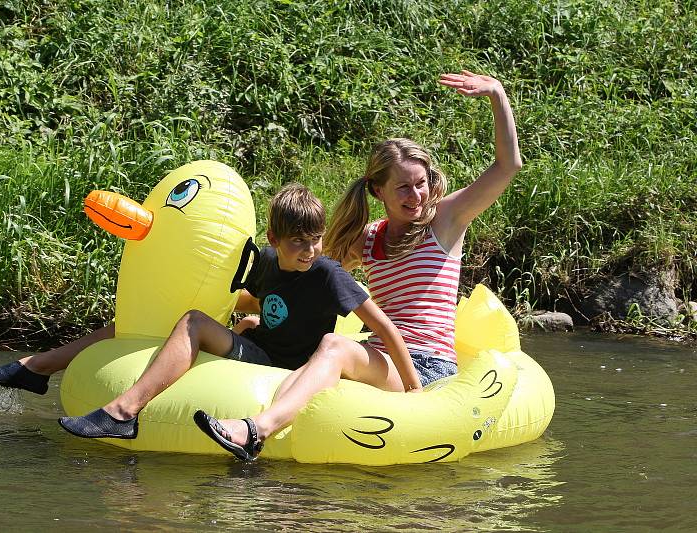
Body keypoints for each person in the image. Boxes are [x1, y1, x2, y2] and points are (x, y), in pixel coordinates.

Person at [195, 70, 522, 461]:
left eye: (421, 183)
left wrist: (497, 95)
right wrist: (249, 303)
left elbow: (508, 167)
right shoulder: (366, 238)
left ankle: (255, 430)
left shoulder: (446, 220)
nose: (416, 195)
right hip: (380, 357)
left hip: (427, 364)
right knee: (317, 345)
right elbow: (305, 274)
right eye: (402, 186)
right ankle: (258, 429)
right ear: (377, 190)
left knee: (335, 345)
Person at [57, 183, 416, 442]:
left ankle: (125, 412)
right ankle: (123, 414)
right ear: (274, 239)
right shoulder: (268, 262)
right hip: (260, 354)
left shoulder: (328, 274)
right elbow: (249, 299)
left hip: (295, 371)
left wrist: (414, 391)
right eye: (298, 242)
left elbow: (385, 328)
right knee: (194, 319)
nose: (309, 250)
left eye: (316, 239)